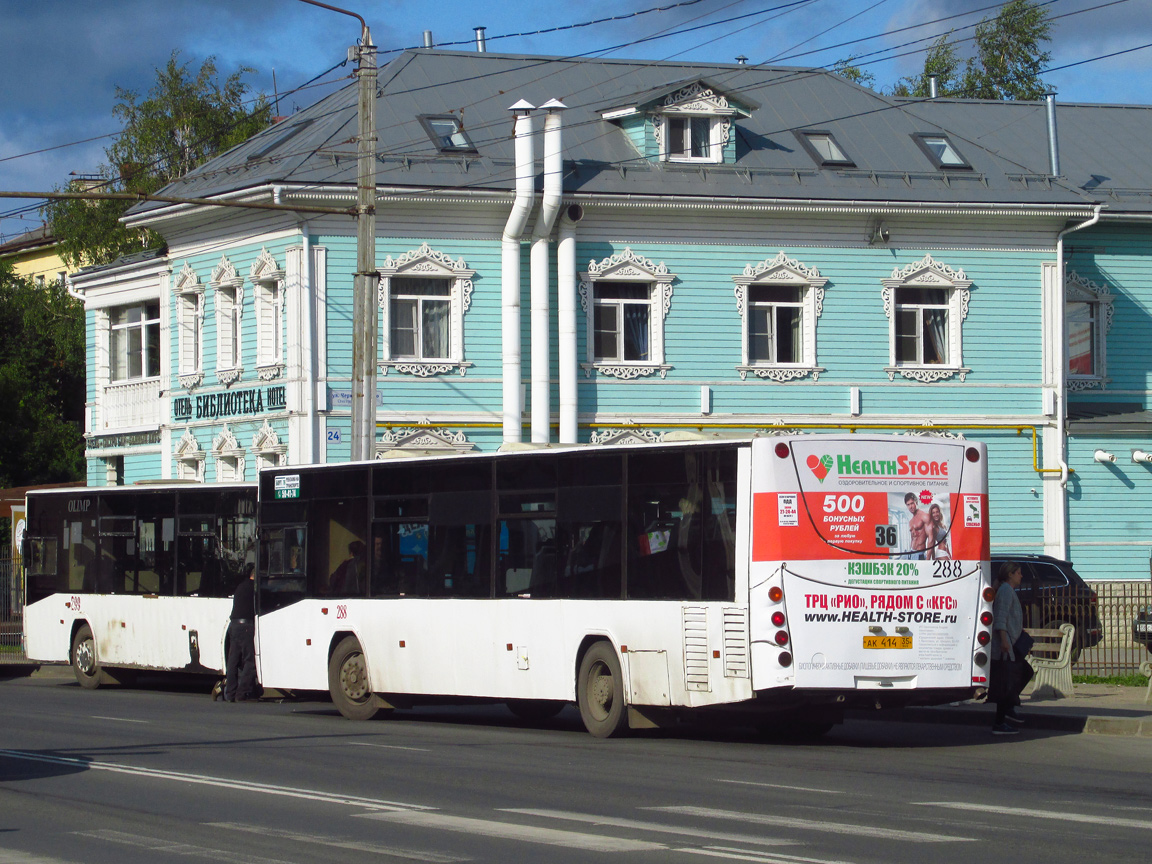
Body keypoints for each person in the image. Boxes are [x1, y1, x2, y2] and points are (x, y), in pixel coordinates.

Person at [990, 561, 1032, 734]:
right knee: (1008, 681)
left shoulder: (1008, 590)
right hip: (1006, 644)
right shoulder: (1006, 591)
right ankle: (1002, 719)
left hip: (1010, 642)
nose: (1021, 576)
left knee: (1010, 680)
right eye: (1019, 573)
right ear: (1010, 574)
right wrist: (1004, 641)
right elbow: (1000, 617)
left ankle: (1006, 710)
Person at [223, 567, 259, 702]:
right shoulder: (254, 589)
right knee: (250, 660)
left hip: (233, 625)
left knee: (233, 660)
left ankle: (230, 693)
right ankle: (242, 693)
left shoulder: (241, 587)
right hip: (246, 626)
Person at [905, 493, 930, 560]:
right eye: (908, 505)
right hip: (911, 552)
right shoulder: (911, 521)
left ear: (916, 502)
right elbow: (913, 538)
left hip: (920, 553)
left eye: (912, 503)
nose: (910, 507)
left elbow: (931, 539)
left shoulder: (924, 516)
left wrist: (928, 559)